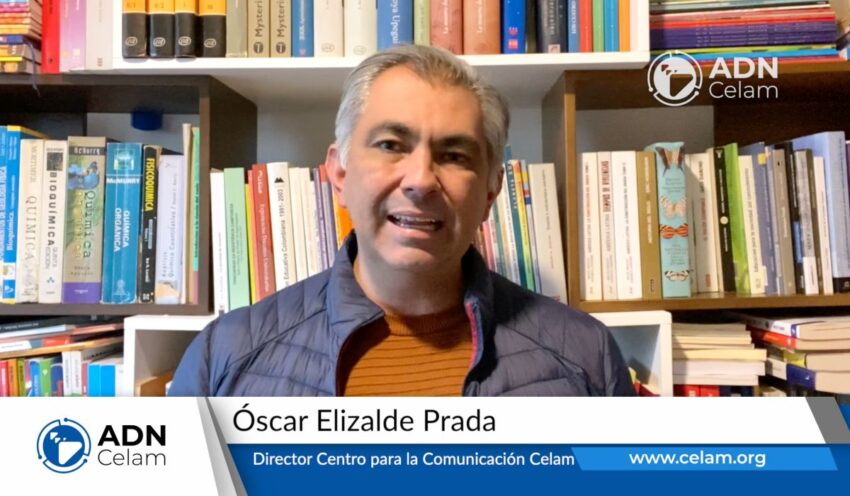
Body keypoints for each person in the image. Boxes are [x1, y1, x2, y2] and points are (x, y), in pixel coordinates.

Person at [169, 45, 635, 397]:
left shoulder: (585, 355)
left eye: (454, 155)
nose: (421, 181)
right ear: (339, 173)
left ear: (491, 190)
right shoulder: (224, 357)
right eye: (391, 145)